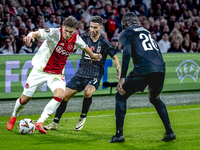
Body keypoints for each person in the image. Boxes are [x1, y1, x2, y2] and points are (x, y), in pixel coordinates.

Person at [6, 16, 101, 134]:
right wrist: (30, 35)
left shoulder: (76, 39)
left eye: (70, 32)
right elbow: (37, 33)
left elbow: (84, 47)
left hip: (56, 74)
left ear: (74, 31)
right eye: (66, 30)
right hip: (40, 71)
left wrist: (93, 55)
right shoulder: (54, 33)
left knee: (60, 95)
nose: (67, 34)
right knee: (25, 100)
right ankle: (14, 116)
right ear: (62, 27)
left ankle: (40, 122)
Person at [44, 16, 121, 131]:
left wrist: (119, 73)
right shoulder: (83, 38)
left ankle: (82, 117)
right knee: (64, 96)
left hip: (95, 74)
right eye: (90, 27)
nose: (92, 29)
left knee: (88, 92)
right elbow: (69, 45)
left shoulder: (105, 43)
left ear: (100, 28)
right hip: (80, 74)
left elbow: (115, 59)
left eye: (95, 27)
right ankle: (54, 123)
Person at [108, 12, 176, 143]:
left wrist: (123, 77)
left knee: (121, 95)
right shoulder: (147, 31)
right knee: (155, 98)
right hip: (160, 68)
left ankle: (119, 134)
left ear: (125, 24)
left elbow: (126, 53)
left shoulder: (125, 32)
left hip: (144, 68)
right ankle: (169, 132)